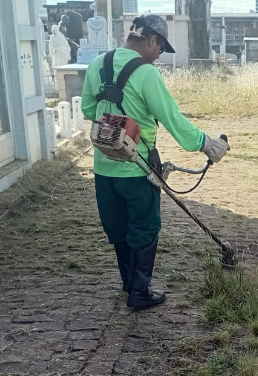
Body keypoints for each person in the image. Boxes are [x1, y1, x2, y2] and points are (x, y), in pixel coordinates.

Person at [81, 15, 229, 310]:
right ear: (151, 40)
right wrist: (206, 144)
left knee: (119, 229)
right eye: (161, 48)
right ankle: (140, 292)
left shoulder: (98, 64)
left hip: (103, 168)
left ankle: (128, 284)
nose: (159, 55)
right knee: (145, 227)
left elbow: (88, 108)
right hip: (137, 169)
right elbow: (171, 117)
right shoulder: (146, 73)